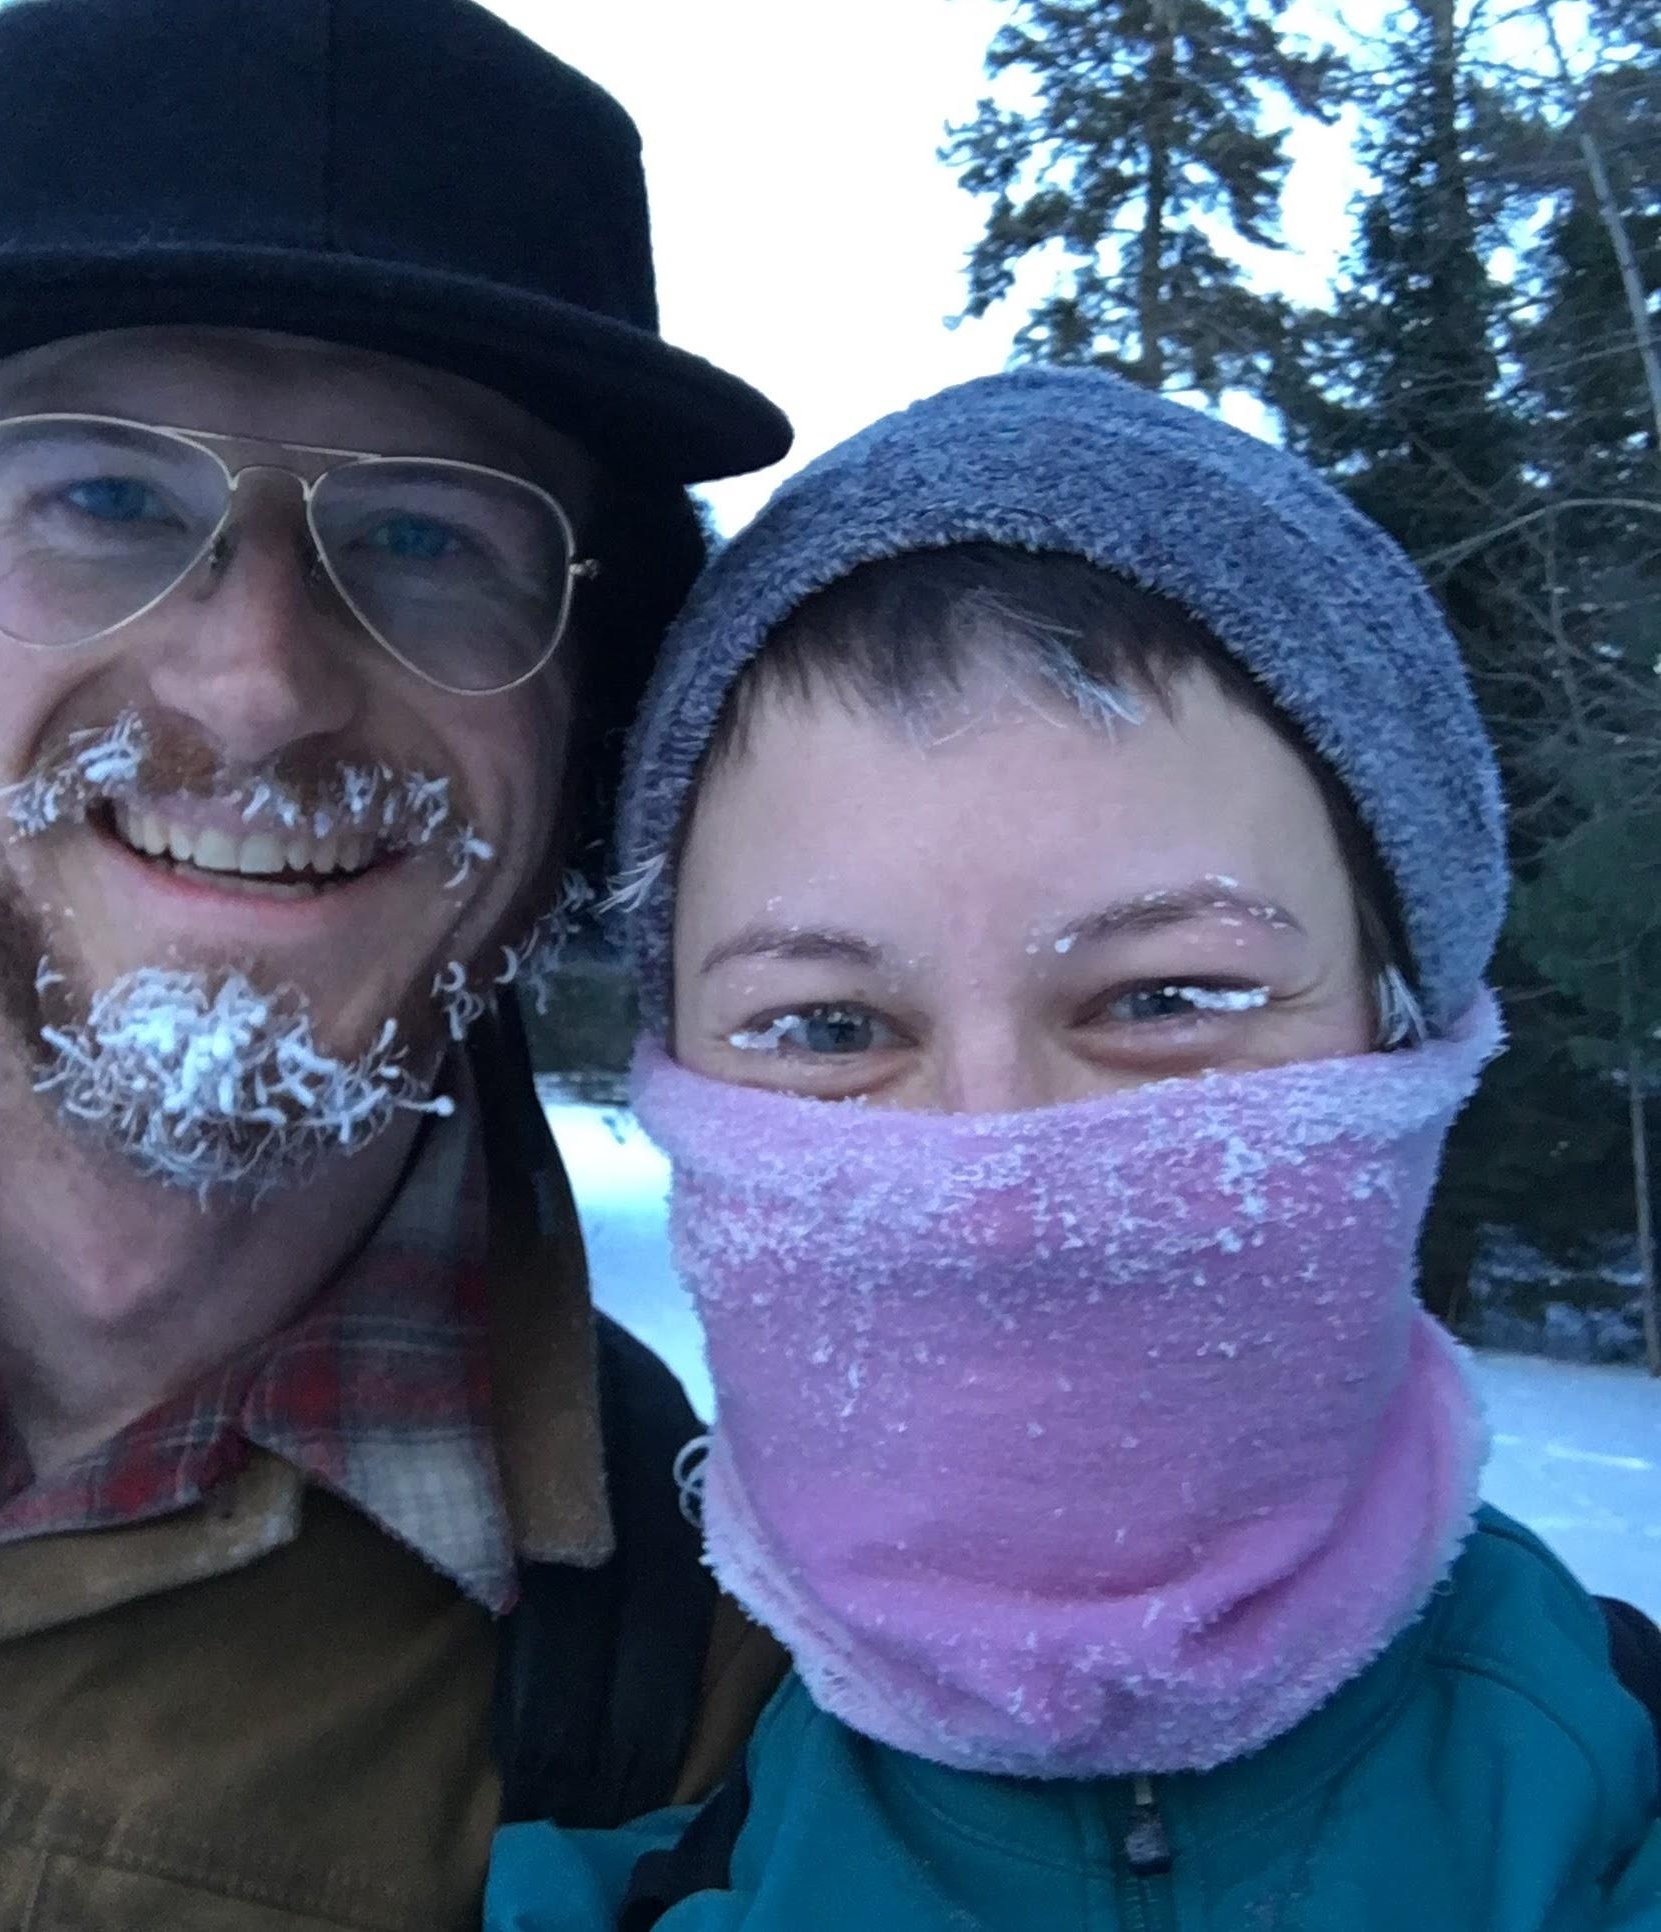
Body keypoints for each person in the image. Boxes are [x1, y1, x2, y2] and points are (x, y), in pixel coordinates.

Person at [0, 1, 795, 1925]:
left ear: (590, 703)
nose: (257, 689)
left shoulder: (705, 1683)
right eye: (106, 501)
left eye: (423, 533)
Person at [484, 369, 1661, 1929]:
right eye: (830, 1029)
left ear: (1406, 1023)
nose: (995, 1173)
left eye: (1165, 998)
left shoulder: (1611, 1787)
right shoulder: (604, 1840)